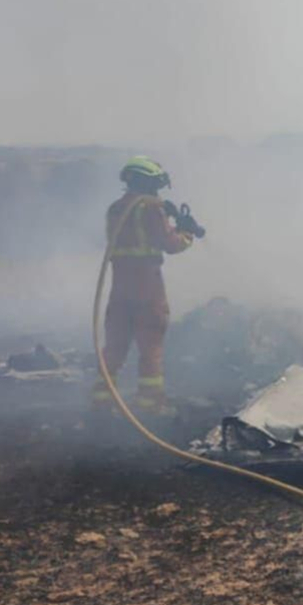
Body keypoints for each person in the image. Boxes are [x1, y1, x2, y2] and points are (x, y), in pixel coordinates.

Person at [93, 157, 192, 415]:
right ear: (150, 182)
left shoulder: (116, 208)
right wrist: (187, 234)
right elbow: (169, 243)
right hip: (148, 287)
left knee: (114, 345)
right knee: (151, 345)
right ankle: (151, 404)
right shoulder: (150, 207)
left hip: (120, 286)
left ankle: (102, 400)